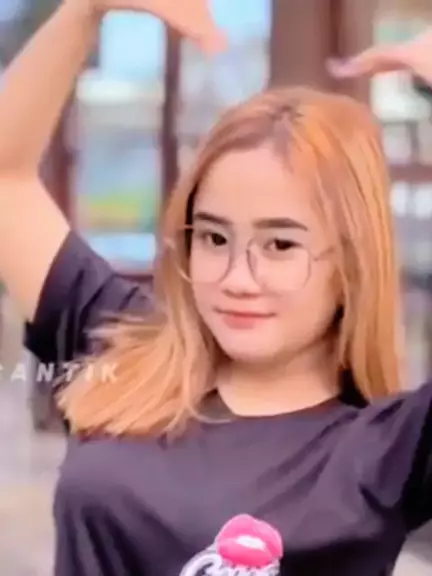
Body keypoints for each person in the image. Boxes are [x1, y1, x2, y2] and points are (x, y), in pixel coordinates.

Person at [0, 0, 431, 573]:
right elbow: (7, 180)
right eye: (213, 238)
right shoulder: (128, 344)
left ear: (352, 262)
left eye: (280, 246)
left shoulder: (388, 448)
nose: (237, 279)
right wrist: (82, 12)